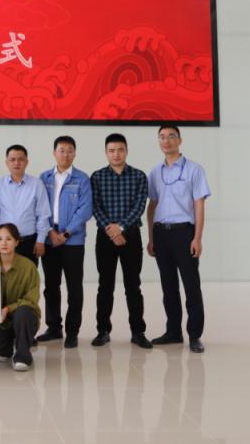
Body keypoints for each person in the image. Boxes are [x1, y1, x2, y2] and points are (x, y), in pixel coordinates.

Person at [146, 125, 210, 353]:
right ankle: (173, 331)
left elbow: (199, 205)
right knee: (168, 285)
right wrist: (151, 237)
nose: (166, 141)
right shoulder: (155, 172)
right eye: (162, 137)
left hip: (185, 233)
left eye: (171, 136)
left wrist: (197, 238)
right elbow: (152, 206)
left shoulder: (194, 170)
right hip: (161, 234)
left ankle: (195, 335)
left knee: (191, 285)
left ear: (179, 140)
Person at [90, 133, 151, 349]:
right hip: (105, 236)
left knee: (133, 285)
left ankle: (138, 332)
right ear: (106, 152)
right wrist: (112, 230)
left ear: (126, 151)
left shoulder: (139, 176)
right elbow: (95, 206)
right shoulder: (97, 177)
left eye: (120, 150)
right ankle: (103, 331)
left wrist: (121, 227)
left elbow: (139, 206)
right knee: (105, 286)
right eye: (112, 150)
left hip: (131, 236)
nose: (116, 154)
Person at [36, 136, 93, 348]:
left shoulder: (82, 179)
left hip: (73, 241)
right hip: (50, 239)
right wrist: (51, 232)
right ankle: (54, 328)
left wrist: (66, 233)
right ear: (54, 153)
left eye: (70, 150)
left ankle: (72, 331)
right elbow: (40, 207)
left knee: (74, 287)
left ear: (75, 153)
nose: (65, 154)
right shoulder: (44, 178)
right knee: (51, 286)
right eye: (61, 150)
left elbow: (85, 209)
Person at [0, 223, 41, 372]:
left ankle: (23, 356)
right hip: (0, 320)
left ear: (16, 242)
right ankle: (7, 350)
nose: (4, 243)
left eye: (8, 239)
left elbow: (31, 300)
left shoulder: (28, 266)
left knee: (23, 312)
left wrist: (8, 308)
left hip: (25, 318)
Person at [0, 145, 51, 265]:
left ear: (27, 162)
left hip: (29, 242)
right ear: (7, 162)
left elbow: (43, 214)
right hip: (4, 243)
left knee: (28, 275)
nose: (16, 163)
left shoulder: (37, 184)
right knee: (2, 276)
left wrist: (40, 240)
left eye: (20, 159)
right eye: (12, 159)